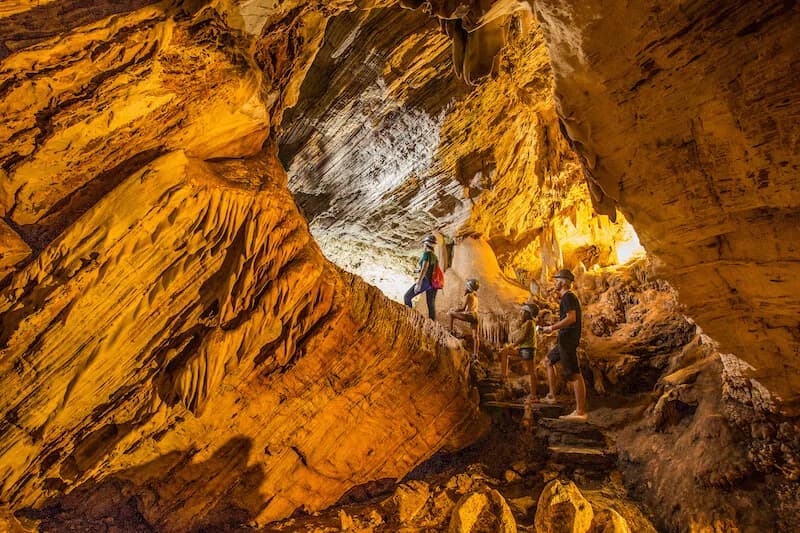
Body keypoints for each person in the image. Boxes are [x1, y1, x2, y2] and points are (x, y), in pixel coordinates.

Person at [541, 269, 588, 422]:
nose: (554, 283)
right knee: (548, 360)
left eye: (556, 280)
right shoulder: (566, 298)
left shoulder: (568, 297)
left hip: (568, 340)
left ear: (563, 282)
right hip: (564, 340)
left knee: (574, 374)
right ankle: (551, 396)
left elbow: (571, 318)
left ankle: (580, 412)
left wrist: (551, 328)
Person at [502, 302, 540, 404]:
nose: (520, 313)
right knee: (505, 352)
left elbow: (523, 337)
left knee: (531, 372)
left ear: (527, 313)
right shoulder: (528, 323)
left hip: (527, 349)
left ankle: (533, 396)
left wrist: (512, 345)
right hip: (524, 349)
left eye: (522, 311)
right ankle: (504, 377)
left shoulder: (529, 323)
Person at [404, 235, 439, 320]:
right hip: (432, 284)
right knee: (430, 304)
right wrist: (418, 271)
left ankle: (410, 317)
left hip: (425, 281)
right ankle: (432, 323)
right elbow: (430, 269)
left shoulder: (427, 254)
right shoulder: (434, 256)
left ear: (426, 244)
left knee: (407, 297)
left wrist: (419, 284)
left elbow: (424, 268)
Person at [447, 278, 480, 355]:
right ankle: (475, 355)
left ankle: (451, 332)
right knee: (475, 337)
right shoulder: (475, 296)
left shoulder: (469, 295)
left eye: (466, 286)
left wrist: (454, 310)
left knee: (451, 314)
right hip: (476, 316)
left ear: (468, 287)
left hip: (470, 315)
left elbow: (463, 308)